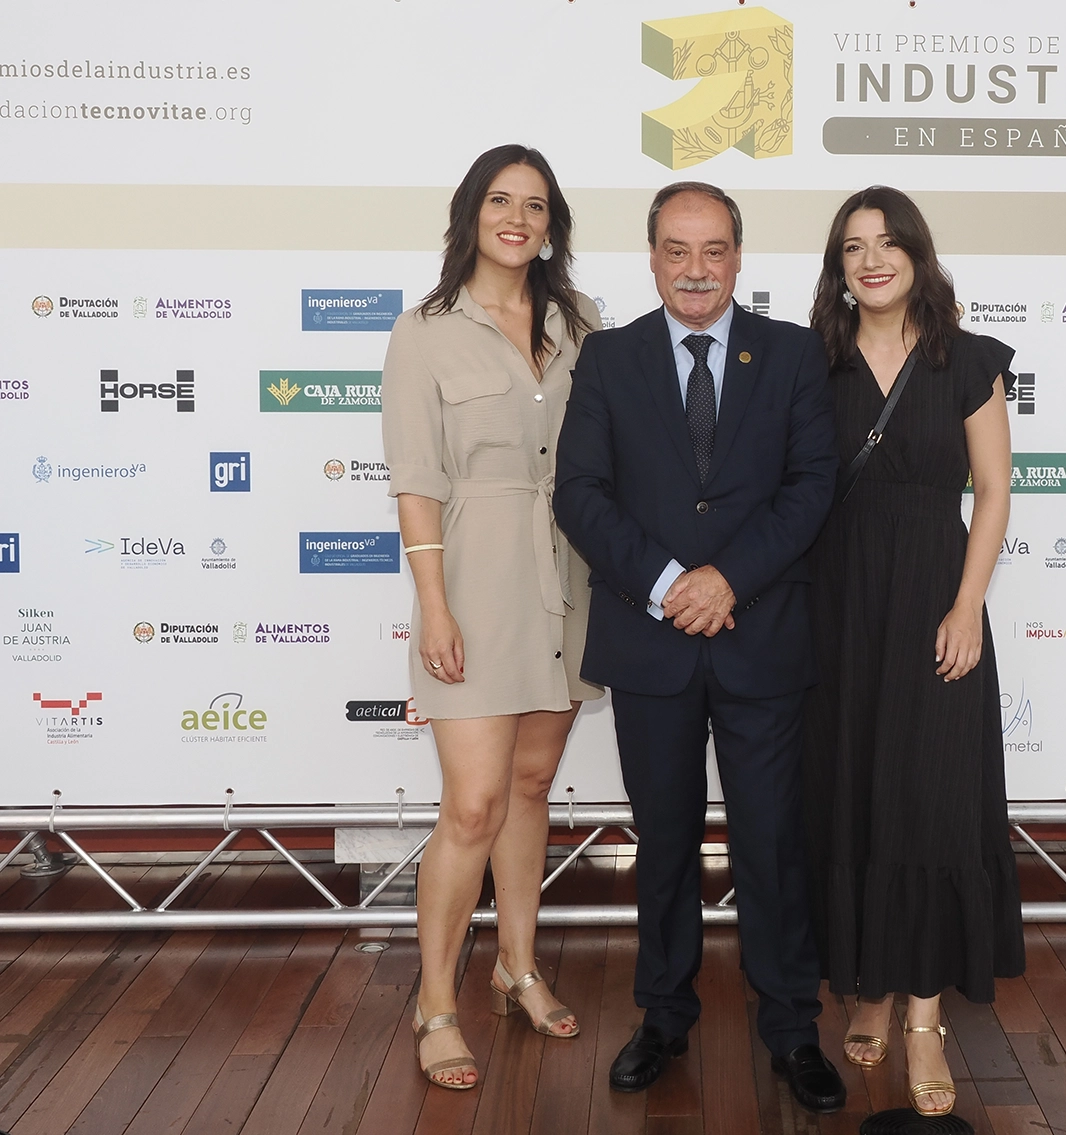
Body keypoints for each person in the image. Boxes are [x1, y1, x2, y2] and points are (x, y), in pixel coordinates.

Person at [553, 181, 846, 1113]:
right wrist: (669, 583)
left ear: (739, 257)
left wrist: (727, 580)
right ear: (650, 257)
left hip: (762, 639)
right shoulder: (609, 358)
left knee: (771, 843)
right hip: (652, 645)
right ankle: (663, 1016)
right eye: (677, 249)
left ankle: (793, 1028)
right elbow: (580, 492)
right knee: (666, 841)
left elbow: (812, 485)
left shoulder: (794, 355)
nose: (695, 267)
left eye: (713, 249)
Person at [381, 144, 603, 1090]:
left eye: (537, 205)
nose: (519, 218)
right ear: (471, 212)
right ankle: (436, 1000)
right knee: (470, 803)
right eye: (501, 201)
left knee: (532, 781)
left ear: (553, 224)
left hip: (573, 574)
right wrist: (433, 605)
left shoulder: (582, 322)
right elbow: (416, 483)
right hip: (474, 581)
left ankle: (518, 966)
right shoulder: (424, 331)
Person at [801, 186, 1026, 1119]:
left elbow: (994, 490)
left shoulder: (966, 361)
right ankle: (873, 985)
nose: (872, 258)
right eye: (854, 246)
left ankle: (924, 1017)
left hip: (937, 598)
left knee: (930, 803)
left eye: (888, 242)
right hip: (837, 606)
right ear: (838, 266)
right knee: (853, 793)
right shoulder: (809, 362)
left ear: (918, 255)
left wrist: (968, 604)